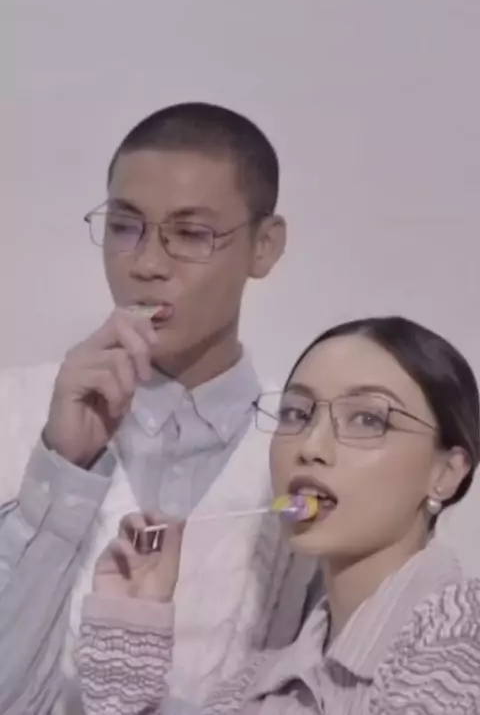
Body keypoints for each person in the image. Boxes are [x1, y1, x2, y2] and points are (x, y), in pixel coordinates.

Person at [0, 103, 315, 715]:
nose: (145, 264)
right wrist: (61, 469)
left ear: (265, 246)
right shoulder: (16, 410)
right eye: (124, 227)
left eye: (191, 235)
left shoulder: (308, 449)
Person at [75, 315, 480, 714]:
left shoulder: (464, 639)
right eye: (296, 414)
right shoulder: (255, 687)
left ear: (447, 472)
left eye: (368, 419)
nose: (310, 446)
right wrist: (131, 626)